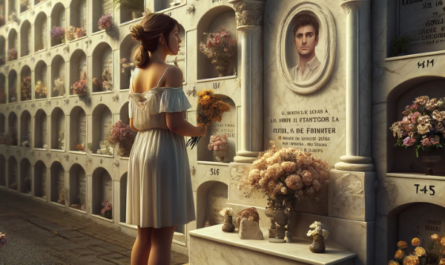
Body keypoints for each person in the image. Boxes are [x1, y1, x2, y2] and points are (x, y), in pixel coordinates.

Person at [126, 11, 207, 265]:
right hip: (163, 153)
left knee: (144, 234)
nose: (179, 40)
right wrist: (200, 131)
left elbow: (133, 124)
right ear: (162, 38)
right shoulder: (171, 71)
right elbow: (175, 124)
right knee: (163, 236)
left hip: (140, 152)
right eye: (175, 34)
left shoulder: (135, 74)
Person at [290, 13, 321, 83]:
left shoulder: (322, 70)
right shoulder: (291, 73)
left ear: (316, 40)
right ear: (295, 42)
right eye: (299, 36)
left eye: (309, 35)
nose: (304, 41)